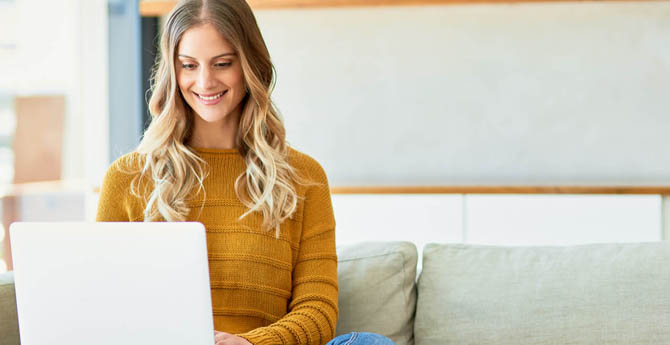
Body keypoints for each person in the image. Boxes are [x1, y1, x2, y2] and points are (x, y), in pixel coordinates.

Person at [96, 1, 395, 344]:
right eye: (189, 66)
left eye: (222, 64)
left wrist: (249, 343)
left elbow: (317, 311)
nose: (205, 82)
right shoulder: (128, 178)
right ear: (172, 72)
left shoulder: (304, 178)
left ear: (250, 66)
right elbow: (107, 305)